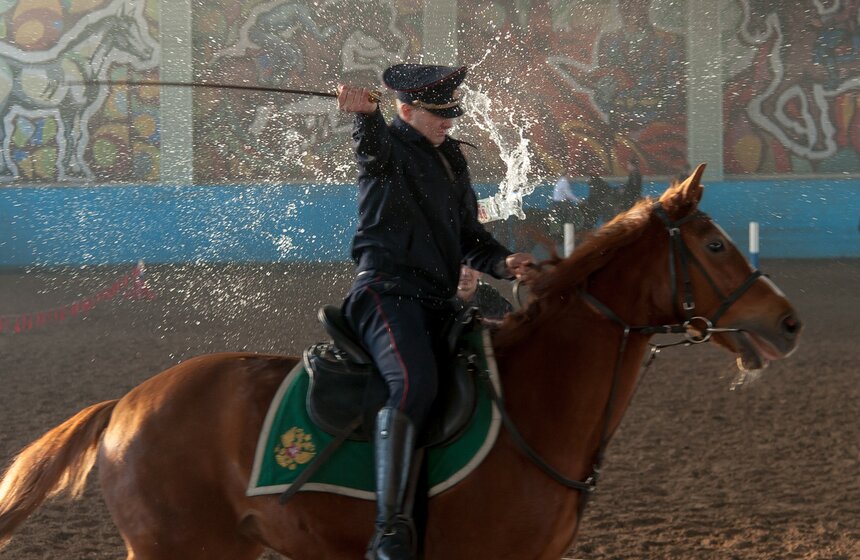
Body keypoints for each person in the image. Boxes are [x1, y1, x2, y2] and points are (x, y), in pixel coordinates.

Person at [336, 63, 533, 560]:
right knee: (414, 383)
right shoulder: (387, 148)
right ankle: (389, 530)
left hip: (438, 301)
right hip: (386, 294)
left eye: (452, 113)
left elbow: (471, 240)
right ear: (405, 110)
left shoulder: (452, 161)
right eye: (438, 114)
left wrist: (504, 262)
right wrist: (364, 118)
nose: (450, 122)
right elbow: (372, 150)